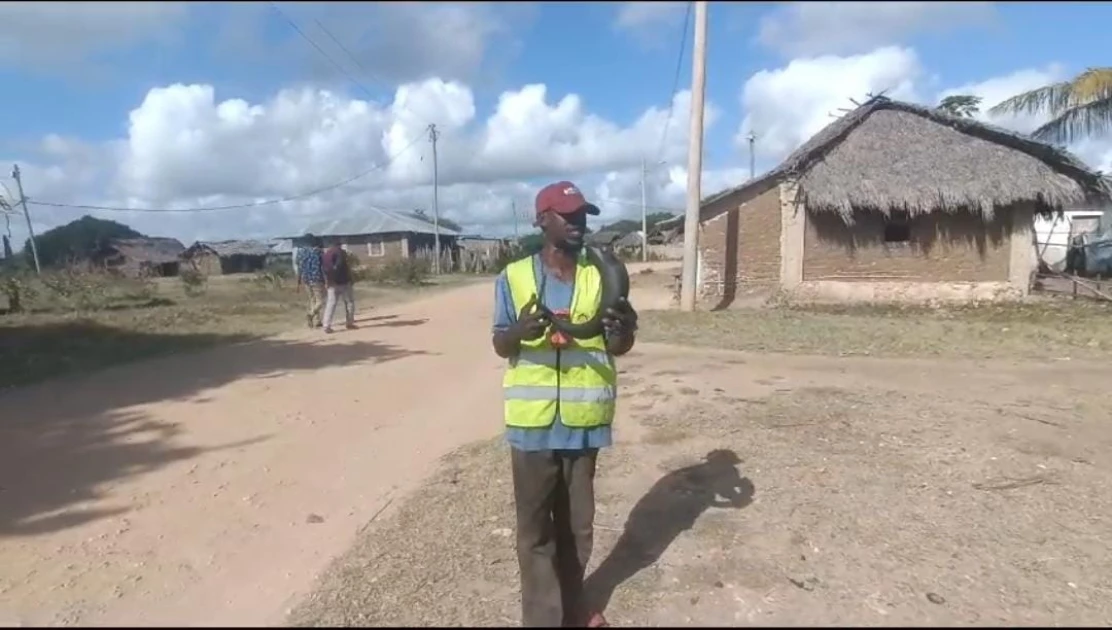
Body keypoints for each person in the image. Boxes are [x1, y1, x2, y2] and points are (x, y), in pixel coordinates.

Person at [491, 181, 638, 628]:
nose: (578, 223)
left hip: (583, 420)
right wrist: (519, 330)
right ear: (542, 220)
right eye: (567, 215)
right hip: (533, 424)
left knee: (577, 528)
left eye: (582, 215)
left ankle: (575, 605)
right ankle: (544, 618)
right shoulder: (513, 277)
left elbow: (617, 345)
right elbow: (500, 342)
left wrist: (625, 331)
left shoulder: (602, 275)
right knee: (535, 532)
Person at [321, 239, 357, 334]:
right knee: (349, 302)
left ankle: (326, 325)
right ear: (339, 245)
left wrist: (327, 281)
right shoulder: (341, 253)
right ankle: (349, 322)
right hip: (343, 281)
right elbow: (343, 266)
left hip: (331, 283)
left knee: (331, 304)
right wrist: (350, 278)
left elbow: (324, 269)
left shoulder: (326, 254)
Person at [295, 234, 326, 329]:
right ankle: (311, 314)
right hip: (317, 278)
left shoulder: (300, 252)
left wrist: (298, 281)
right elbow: (323, 267)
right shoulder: (318, 252)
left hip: (306, 279)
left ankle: (317, 321)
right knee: (320, 301)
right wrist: (326, 279)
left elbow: (299, 268)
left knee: (312, 300)